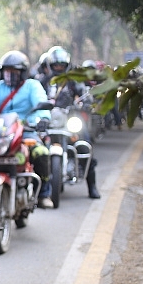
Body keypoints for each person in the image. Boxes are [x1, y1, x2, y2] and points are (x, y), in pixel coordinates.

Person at [0, 50, 55, 209]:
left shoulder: (32, 86)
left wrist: (41, 119)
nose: (10, 74)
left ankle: (43, 194)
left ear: (23, 72)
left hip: (26, 131)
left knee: (41, 152)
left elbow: (41, 104)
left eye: (14, 71)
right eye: (7, 71)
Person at [40, 46, 100, 199]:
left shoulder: (73, 81)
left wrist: (86, 102)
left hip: (69, 119)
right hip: (47, 121)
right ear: (50, 66)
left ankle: (92, 186)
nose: (59, 68)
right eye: (56, 66)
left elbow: (84, 94)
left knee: (85, 144)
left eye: (61, 65)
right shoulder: (42, 81)